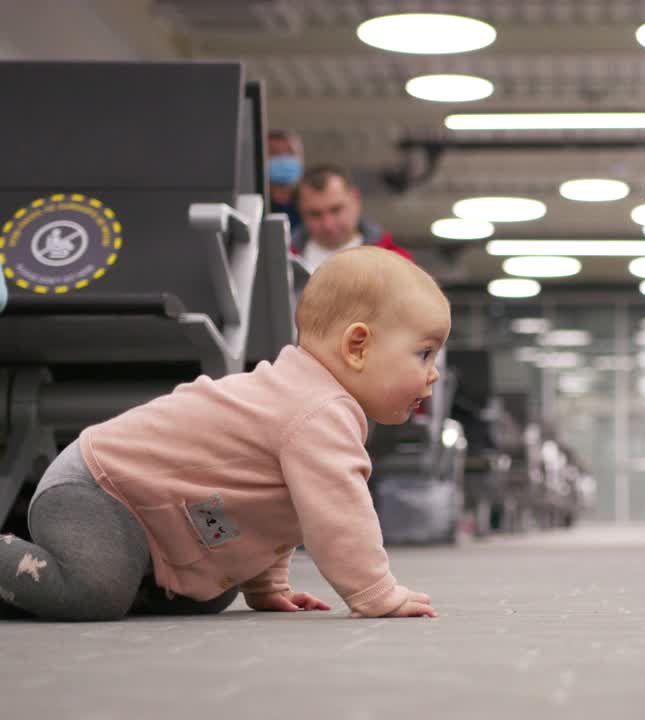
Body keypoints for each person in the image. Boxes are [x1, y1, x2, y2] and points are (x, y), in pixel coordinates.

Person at [0, 247, 450, 621]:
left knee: (210, 592)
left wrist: (266, 584)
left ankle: (75, 585)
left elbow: (271, 506)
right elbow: (337, 516)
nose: (432, 375)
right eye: (424, 354)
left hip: (148, 517)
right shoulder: (316, 410)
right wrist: (374, 591)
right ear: (358, 346)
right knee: (95, 592)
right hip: (99, 490)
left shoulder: (306, 403)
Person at [292, 164, 413, 271]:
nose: (328, 224)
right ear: (300, 212)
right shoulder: (281, 264)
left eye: (336, 210)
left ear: (355, 199)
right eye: (315, 214)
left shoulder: (397, 263)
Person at [267, 129, 304, 230]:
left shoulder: (311, 203)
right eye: (274, 153)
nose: (283, 159)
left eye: (290, 153)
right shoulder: (254, 204)